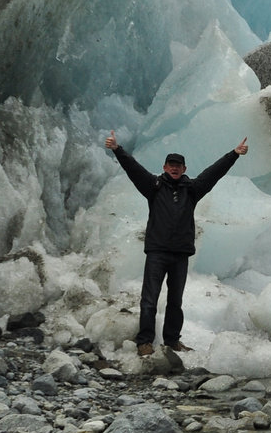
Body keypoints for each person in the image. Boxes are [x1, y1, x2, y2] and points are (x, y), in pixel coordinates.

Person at [104, 131, 249, 356]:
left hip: (180, 254)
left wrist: (234, 154)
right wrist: (117, 149)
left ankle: (172, 341)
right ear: (164, 167)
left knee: (175, 301)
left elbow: (213, 173)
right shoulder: (153, 186)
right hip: (157, 252)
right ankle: (144, 342)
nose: (174, 168)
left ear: (184, 169)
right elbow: (133, 168)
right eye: (170, 165)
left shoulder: (191, 190)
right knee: (149, 299)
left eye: (178, 165)